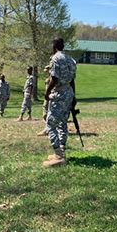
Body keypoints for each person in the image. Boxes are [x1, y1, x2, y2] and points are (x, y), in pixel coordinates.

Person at [43, 38, 77, 167]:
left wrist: (47, 92)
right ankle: (61, 150)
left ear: (54, 46)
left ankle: (59, 155)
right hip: (68, 92)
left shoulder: (56, 59)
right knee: (62, 122)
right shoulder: (70, 60)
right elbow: (72, 80)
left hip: (59, 94)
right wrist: (74, 97)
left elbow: (55, 78)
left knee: (50, 123)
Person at [37, 65, 51, 136]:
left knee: (47, 113)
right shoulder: (48, 78)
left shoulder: (52, 78)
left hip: (50, 97)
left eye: (47, 70)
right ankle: (48, 128)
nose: (46, 72)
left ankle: (48, 129)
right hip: (47, 97)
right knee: (45, 112)